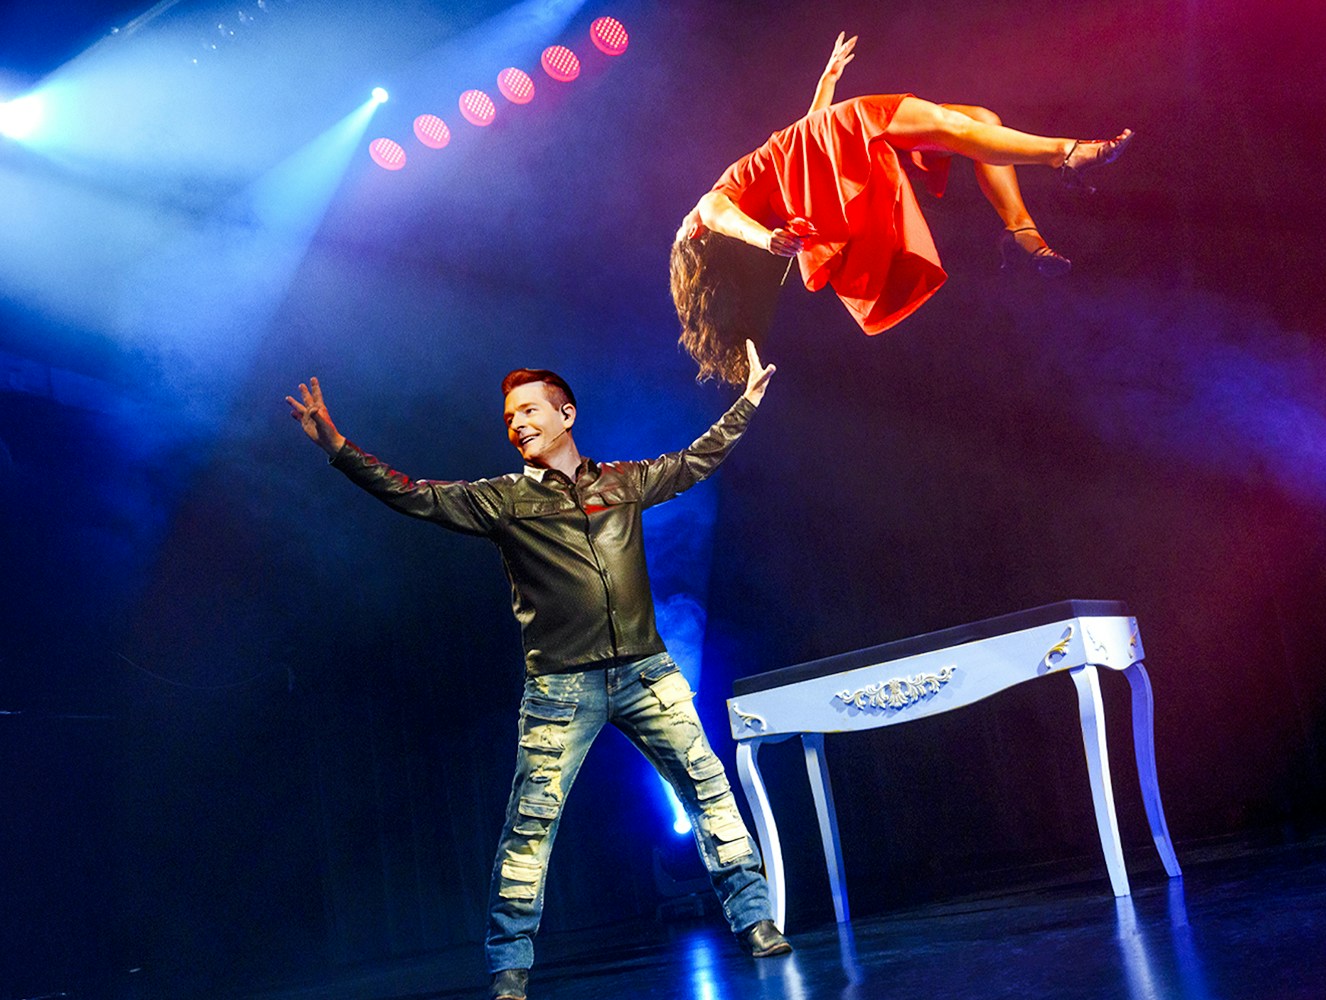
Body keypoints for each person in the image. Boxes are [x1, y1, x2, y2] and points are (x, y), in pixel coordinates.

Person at [286, 341, 789, 1000]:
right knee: (529, 829)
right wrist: (337, 447)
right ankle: (509, 970)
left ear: (566, 414)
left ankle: (755, 921)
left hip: (646, 673)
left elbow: (695, 460)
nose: (517, 423)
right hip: (561, 687)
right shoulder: (502, 500)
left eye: (529, 410)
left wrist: (746, 402)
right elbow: (410, 494)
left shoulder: (622, 481)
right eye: (509, 418)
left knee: (710, 793)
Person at [671, 32, 1134, 383]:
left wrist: (826, 80)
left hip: (823, 148)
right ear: (693, 239)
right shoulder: (710, 212)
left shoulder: (740, 194)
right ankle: (1066, 153)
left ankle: (1021, 232)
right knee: (949, 125)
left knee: (978, 122)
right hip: (836, 137)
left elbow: (797, 142)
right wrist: (766, 239)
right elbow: (717, 213)